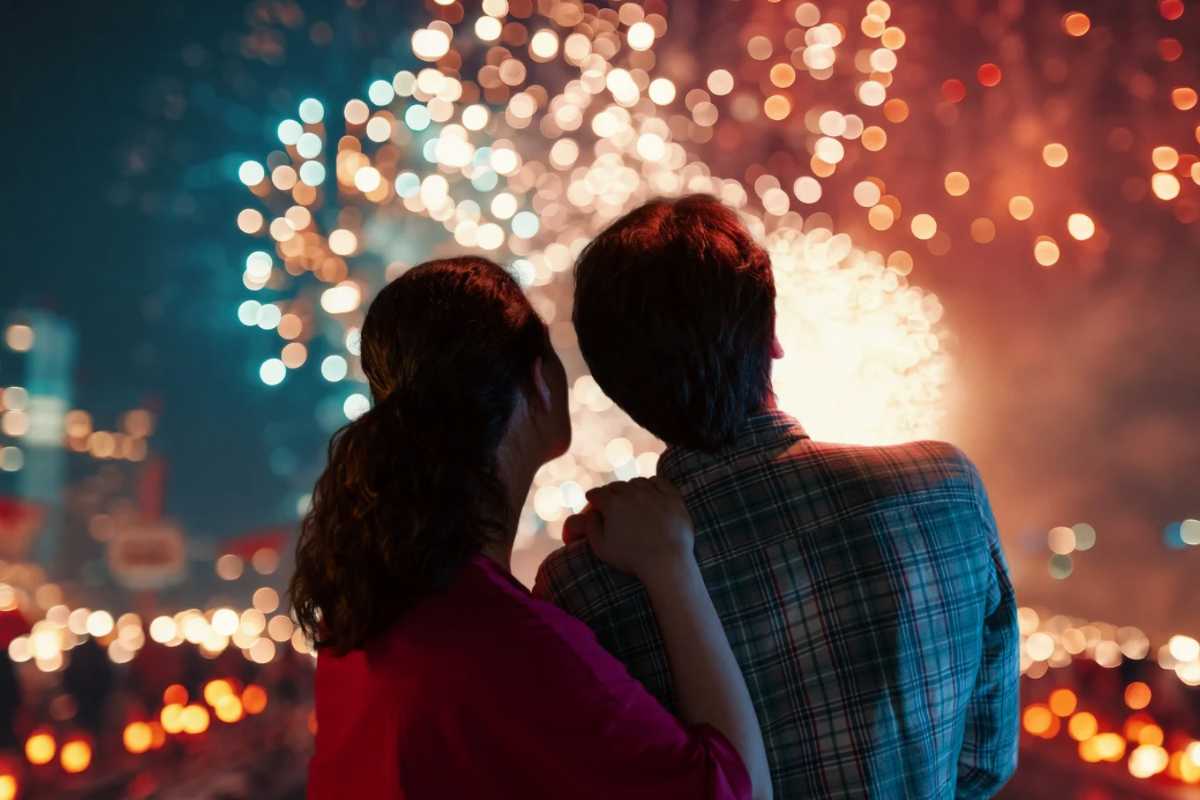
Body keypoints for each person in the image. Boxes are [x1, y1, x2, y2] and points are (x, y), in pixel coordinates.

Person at [535, 195, 1020, 798]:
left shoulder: (587, 585)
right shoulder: (946, 492)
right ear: (771, 334)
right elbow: (983, 765)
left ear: (616, 388)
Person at [290, 257, 771, 800]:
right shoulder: (499, 643)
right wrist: (671, 566)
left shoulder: (362, 624)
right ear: (539, 381)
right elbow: (736, 791)